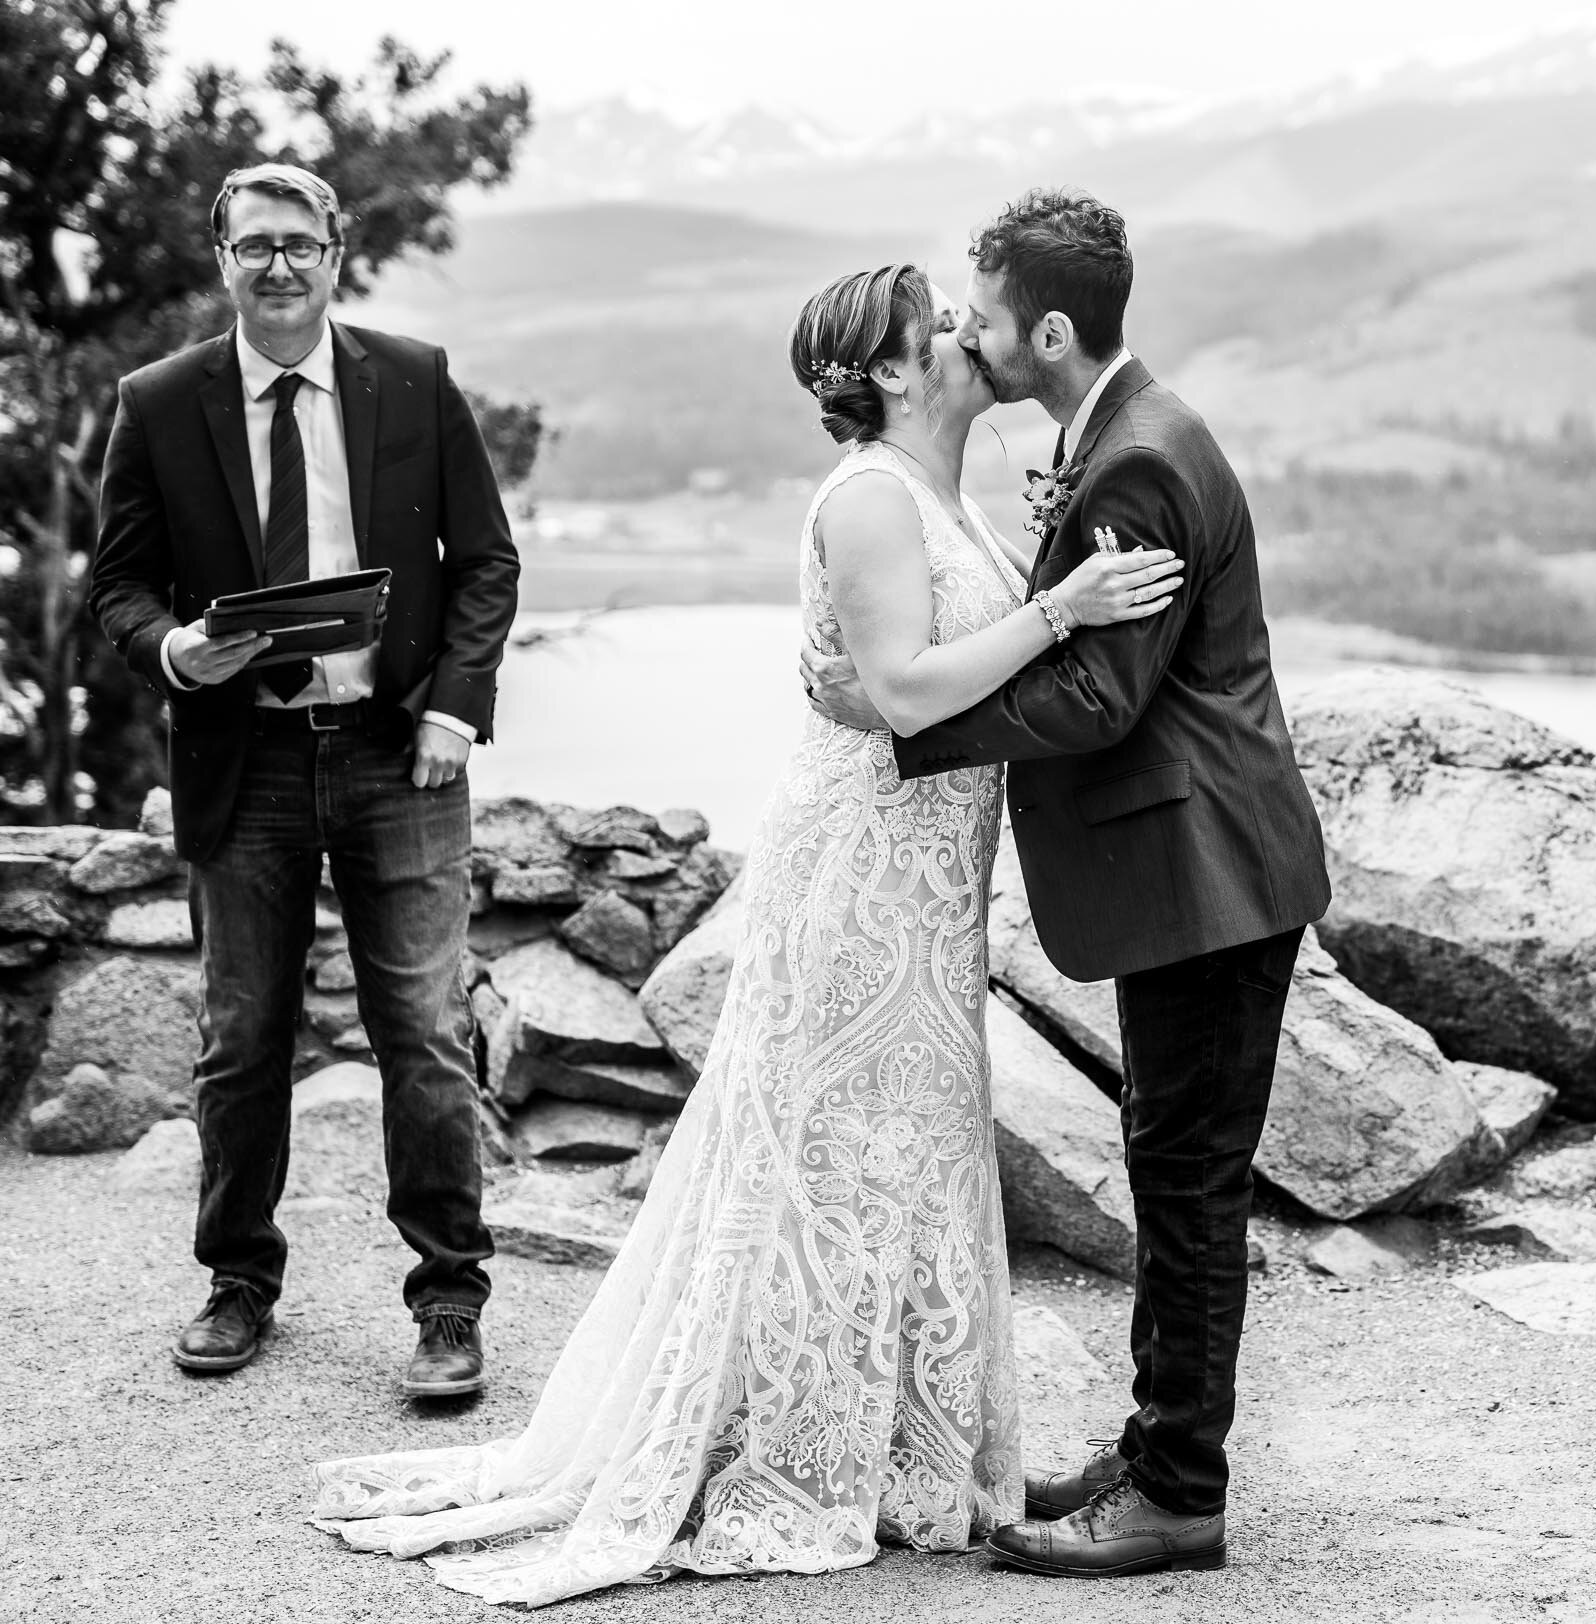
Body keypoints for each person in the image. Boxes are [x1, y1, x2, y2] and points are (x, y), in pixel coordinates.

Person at [302, 264, 1183, 1606]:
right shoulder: (876, 495)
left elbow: (954, 662)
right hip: (861, 874)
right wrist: (1059, 611)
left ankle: (900, 1447)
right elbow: (895, 688)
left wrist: (1048, 556)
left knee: (905, 1150)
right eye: (937, 320)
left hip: (928, 884)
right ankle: (785, 1443)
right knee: (822, 1155)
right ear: (889, 369)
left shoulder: (948, 491)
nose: (961, 329)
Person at [804, 187, 1331, 1578]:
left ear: (1046, 328)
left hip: (1205, 874)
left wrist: (899, 712)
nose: (968, 338)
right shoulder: (1118, 439)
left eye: (982, 316)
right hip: (1195, 876)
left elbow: (1098, 698)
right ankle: (1156, 1447)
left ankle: (1176, 1494)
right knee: (1172, 1160)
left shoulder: (1135, 460)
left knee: (1190, 1180)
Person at [90, 162, 520, 1397]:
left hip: (400, 754)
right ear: (221, 259)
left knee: (427, 1038)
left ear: (337, 253)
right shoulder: (160, 401)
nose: (278, 266)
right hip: (244, 758)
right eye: (253, 246)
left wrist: (453, 705)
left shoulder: (413, 379)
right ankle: (238, 1281)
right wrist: (175, 650)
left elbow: (486, 564)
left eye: (300, 245)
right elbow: (117, 586)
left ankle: (448, 1299)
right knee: (239, 1041)